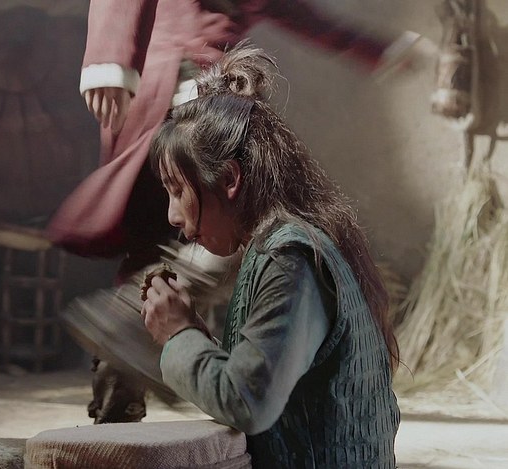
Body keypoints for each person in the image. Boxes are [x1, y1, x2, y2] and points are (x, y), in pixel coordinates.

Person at [50, 0, 426, 424]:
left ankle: (121, 379)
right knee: (228, 232)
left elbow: (304, 16)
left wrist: (383, 51)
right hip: (179, 94)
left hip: (203, 98)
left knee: (182, 249)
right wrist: (110, 59)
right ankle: (124, 347)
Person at [141, 42, 400, 468]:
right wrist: (196, 337)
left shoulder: (289, 258)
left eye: (177, 190)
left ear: (228, 179)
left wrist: (178, 335)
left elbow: (248, 401)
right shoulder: (282, 246)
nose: (172, 215)